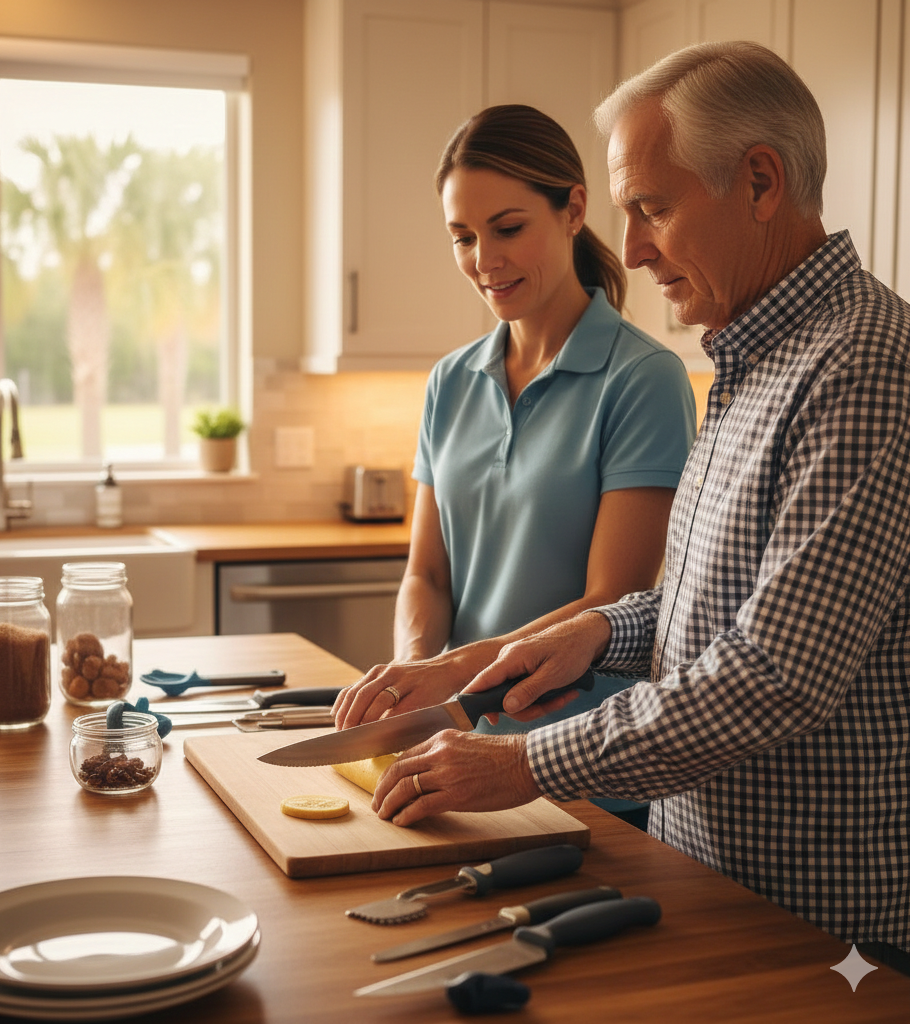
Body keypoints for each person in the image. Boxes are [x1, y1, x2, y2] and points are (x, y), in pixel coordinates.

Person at [364, 42, 910, 971]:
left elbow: (776, 671)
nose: (636, 248)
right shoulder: (750, 362)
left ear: (761, 183)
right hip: (713, 882)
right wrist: (602, 632)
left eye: (654, 208)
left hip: (822, 930)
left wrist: (523, 763)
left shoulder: (863, 366)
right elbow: (716, 602)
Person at [333, 104, 696, 827]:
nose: (483, 261)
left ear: (573, 210)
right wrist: (415, 675)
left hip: (577, 770)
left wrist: (448, 672)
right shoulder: (449, 381)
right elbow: (427, 574)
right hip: (456, 754)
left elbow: (613, 599)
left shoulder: (642, 379)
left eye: (508, 228)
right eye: (462, 237)